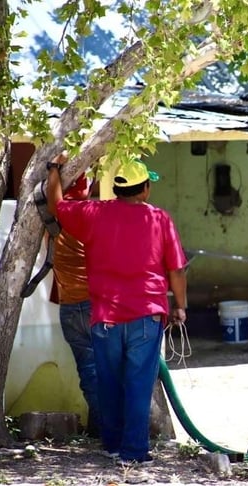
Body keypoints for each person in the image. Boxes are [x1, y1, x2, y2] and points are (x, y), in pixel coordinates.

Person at [46, 153, 187, 466]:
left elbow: (56, 205)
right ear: (145, 189)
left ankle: (111, 445)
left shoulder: (94, 213)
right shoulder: (160, 218)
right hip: (146, 316)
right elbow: (176, 269)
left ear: (117, 188)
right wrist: (181, 305)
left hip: (105, 318)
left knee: (108, 382)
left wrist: (54, 170)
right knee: (138, 383)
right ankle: (134, 452)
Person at [51, 172, 101, 438]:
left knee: (89, 371)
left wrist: (52, 170)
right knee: (103, 370)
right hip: (95, 306)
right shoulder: (93, 216)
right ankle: (104, 428)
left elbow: (53, 198)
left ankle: (98, 427)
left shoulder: (58, 218)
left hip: (69, 306)